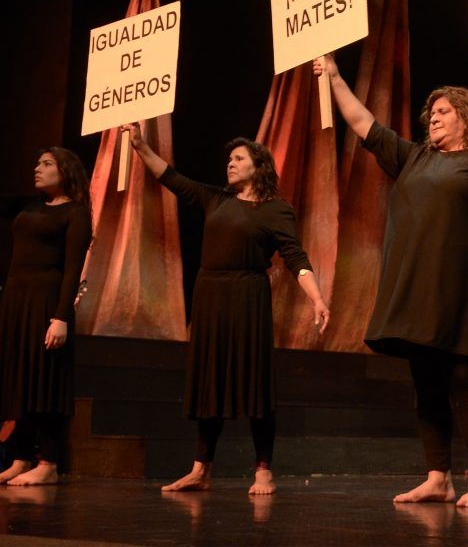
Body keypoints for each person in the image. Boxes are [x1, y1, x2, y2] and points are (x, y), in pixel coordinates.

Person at [315, 55, 468, 508]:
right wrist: (336, 79)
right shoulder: (414, 157)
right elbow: (363, 123)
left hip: (457, 287)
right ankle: (438, 476)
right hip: (413, 283)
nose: (434, 118)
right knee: (425, 380)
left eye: (443, 111)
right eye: (431, 113)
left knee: (464, 378)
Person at [122, 124, 329, 495]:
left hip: (248, 296)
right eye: (228, 159)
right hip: (210, 295)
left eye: (238, 159)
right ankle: (201, 470)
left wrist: (316, 297)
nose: (229, 164)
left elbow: (295, 256)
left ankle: (263, 469)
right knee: (209, 382)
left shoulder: (276, 210)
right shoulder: (216, 199)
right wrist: (139, 145)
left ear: (258, 166)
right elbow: (170, 176)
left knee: (255, 383)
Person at [0, 138, 92, 486]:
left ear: (65, 171)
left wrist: (61, 317)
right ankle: (21, 459)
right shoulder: (29, 204)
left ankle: (49, 462)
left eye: (46, 165)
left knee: (46, 382)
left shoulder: (75, 213)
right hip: (16, 301)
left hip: (46, 304)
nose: (37, 170)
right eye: (37, 164)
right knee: (18, 382)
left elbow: (72, 270)